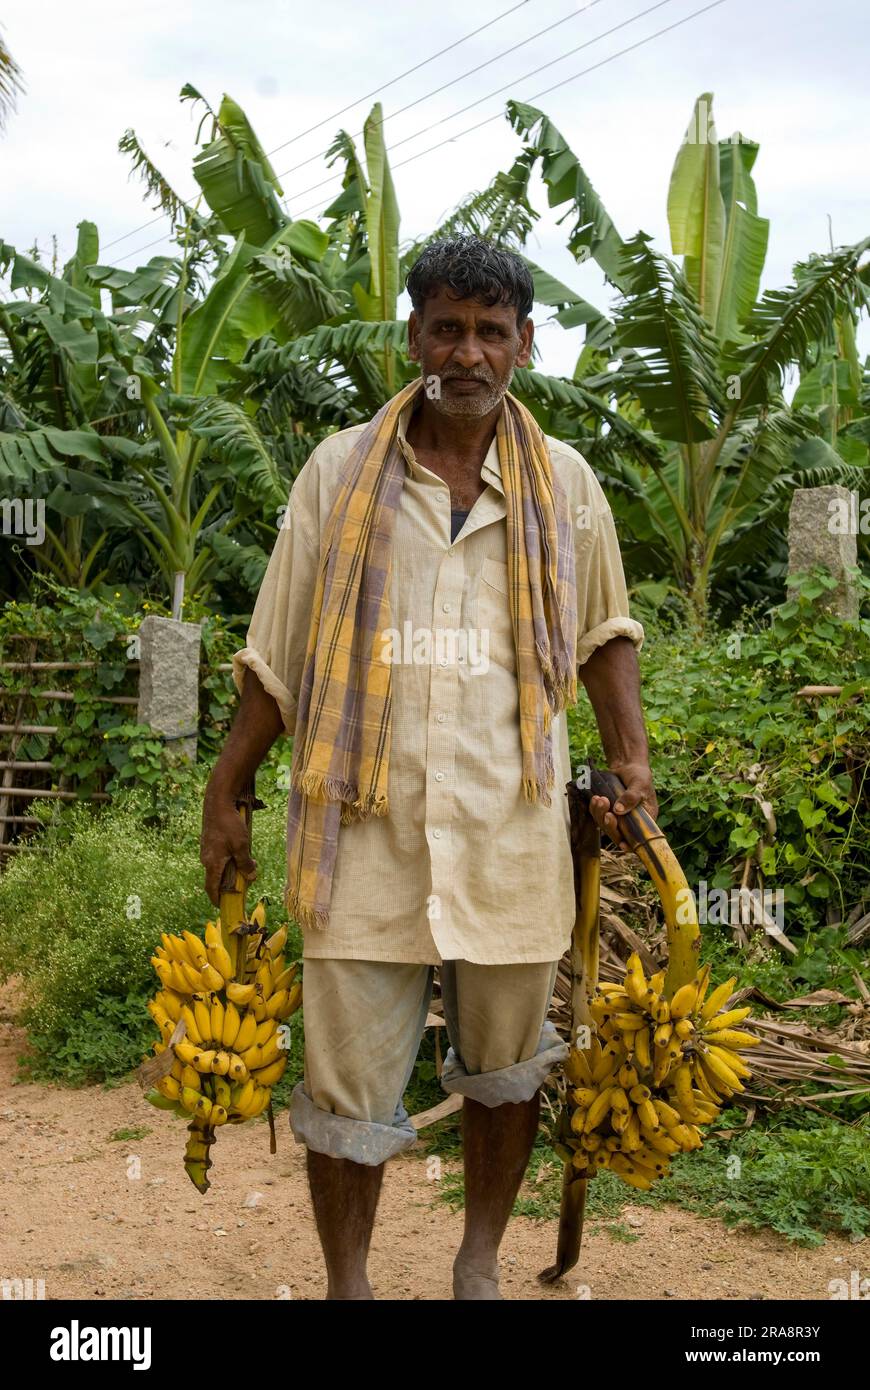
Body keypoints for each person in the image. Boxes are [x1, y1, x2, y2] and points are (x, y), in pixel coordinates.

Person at [200, 235, 657, 1300]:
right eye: (446, 327)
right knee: (344, 1080)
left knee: (506, 1069)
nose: (467, 351)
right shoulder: (337, 476)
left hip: (511, 825)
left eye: (490, 332)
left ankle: (479, 1261)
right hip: (361, 828)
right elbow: (277, 654)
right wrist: (226, 788)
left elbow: (604, 633)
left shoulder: (567, 487)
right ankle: (349, 1283)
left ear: (524, 346)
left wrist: (630, 760)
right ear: (413, 336)